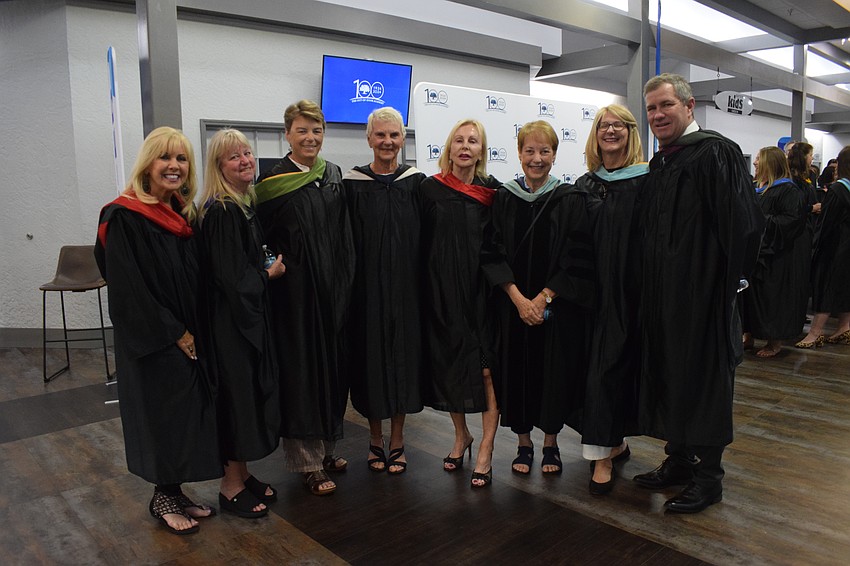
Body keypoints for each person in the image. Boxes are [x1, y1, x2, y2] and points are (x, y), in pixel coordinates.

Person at [634, 74, 763, 513]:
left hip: (704, 297)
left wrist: (724, 289)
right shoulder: (662, 162)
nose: (657, 115)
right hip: (666, 297)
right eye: (651, 108)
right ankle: (680, 461)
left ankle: (709, 479)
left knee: (705, 384)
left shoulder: (716, 153)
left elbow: (742, 226)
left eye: (665, 105)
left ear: (689, 107)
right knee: (674, 376)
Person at [94, 126, 220, 534]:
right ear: (147, 164)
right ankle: (162, 495)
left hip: (187, 331)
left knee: (183, 413)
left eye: (181, 159)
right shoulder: (125, 215)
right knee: (160, 413)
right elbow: (129, 288)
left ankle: (175, 489)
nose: (174, 166)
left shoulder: (183, 214)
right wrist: (173, 332)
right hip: (154, 338)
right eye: (165, 157)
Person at [481, 120, 594, 478]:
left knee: (552, 372)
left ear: (555, 154)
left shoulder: (571, 199)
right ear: (519, 153)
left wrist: (544, 298)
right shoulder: (503, 198)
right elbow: (491, 253)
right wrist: (518, 299)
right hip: (512, 307)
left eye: (545, 151)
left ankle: (550, 442)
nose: (537, 158)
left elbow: (578, 255)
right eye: (530, 150)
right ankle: (523, 442)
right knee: (516, 371)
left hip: (555, 308)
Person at [255, 100, 355, 496]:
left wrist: (346, 282)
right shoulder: (270, 182)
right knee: (302, 375)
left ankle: (327, 448)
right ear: (288, 134)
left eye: (316, 131)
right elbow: (257, 239)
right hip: (294, 298)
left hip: (332, 292)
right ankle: (307, 463)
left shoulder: (331, 174)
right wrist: (269, 270)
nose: (310, 138)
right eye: (302, 131)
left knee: (330, 370)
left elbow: (344, 234)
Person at [198, 129, 285, 518]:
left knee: (248, 398)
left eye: (247, 153)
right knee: (236, 401)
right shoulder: (221, 212)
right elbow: (232, 280)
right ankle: (229, 487)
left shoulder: (242, 205)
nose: (245, 160)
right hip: (230, 327)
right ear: (219, 167)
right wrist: (270, 275)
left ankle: (243, 473)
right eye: (234, 157)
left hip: (246, 321)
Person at [342, 108, 426, 474]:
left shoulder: (416, 184)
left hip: (407, 292)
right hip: (368, 294)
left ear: (402, 139)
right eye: (381, 135)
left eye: (394, 135)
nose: (388, 142)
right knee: (372, 363)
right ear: (369, 138)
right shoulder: (352, 185)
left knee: (402, 363)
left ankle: (398, 439)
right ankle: (374, 439)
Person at [420, 118, 500, 488]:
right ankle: (460, 436)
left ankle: (485, 447)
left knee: (485, 372)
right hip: (442, 293)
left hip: (482, 295)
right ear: (448, 148)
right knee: (452, 366)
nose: (465, 146)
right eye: (459, 140)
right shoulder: (429, 190)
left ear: (482, 151)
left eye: (473, 141)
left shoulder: (494, 193)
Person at [574, 105, 648, 495]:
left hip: (630, 293)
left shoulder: (647, 181)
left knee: (619, 370)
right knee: (594, 370)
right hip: (589, 294)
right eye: (604, 125)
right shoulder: (585, 184)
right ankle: (606, 450)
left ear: (630, 132)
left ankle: (608, 449)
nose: (611, 130)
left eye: (619, 124)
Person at [740, 146, 808, 358]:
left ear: (770, 163)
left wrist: (759, 219)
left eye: (759, 158)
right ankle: (748, 334)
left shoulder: (789, 191)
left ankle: (773, 341)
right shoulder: (755, 187)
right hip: (753, 253)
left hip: (774, 255)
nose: (755, 162)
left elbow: (791, 221)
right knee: (749, 297)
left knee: (771, 298)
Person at [796, 145, 850, 347]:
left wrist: (814, 245)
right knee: (845, 287)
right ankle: (844, 327)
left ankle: (815, 333)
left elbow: (827, 223)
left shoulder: (838, 190)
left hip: (835, 248)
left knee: (825, 286)